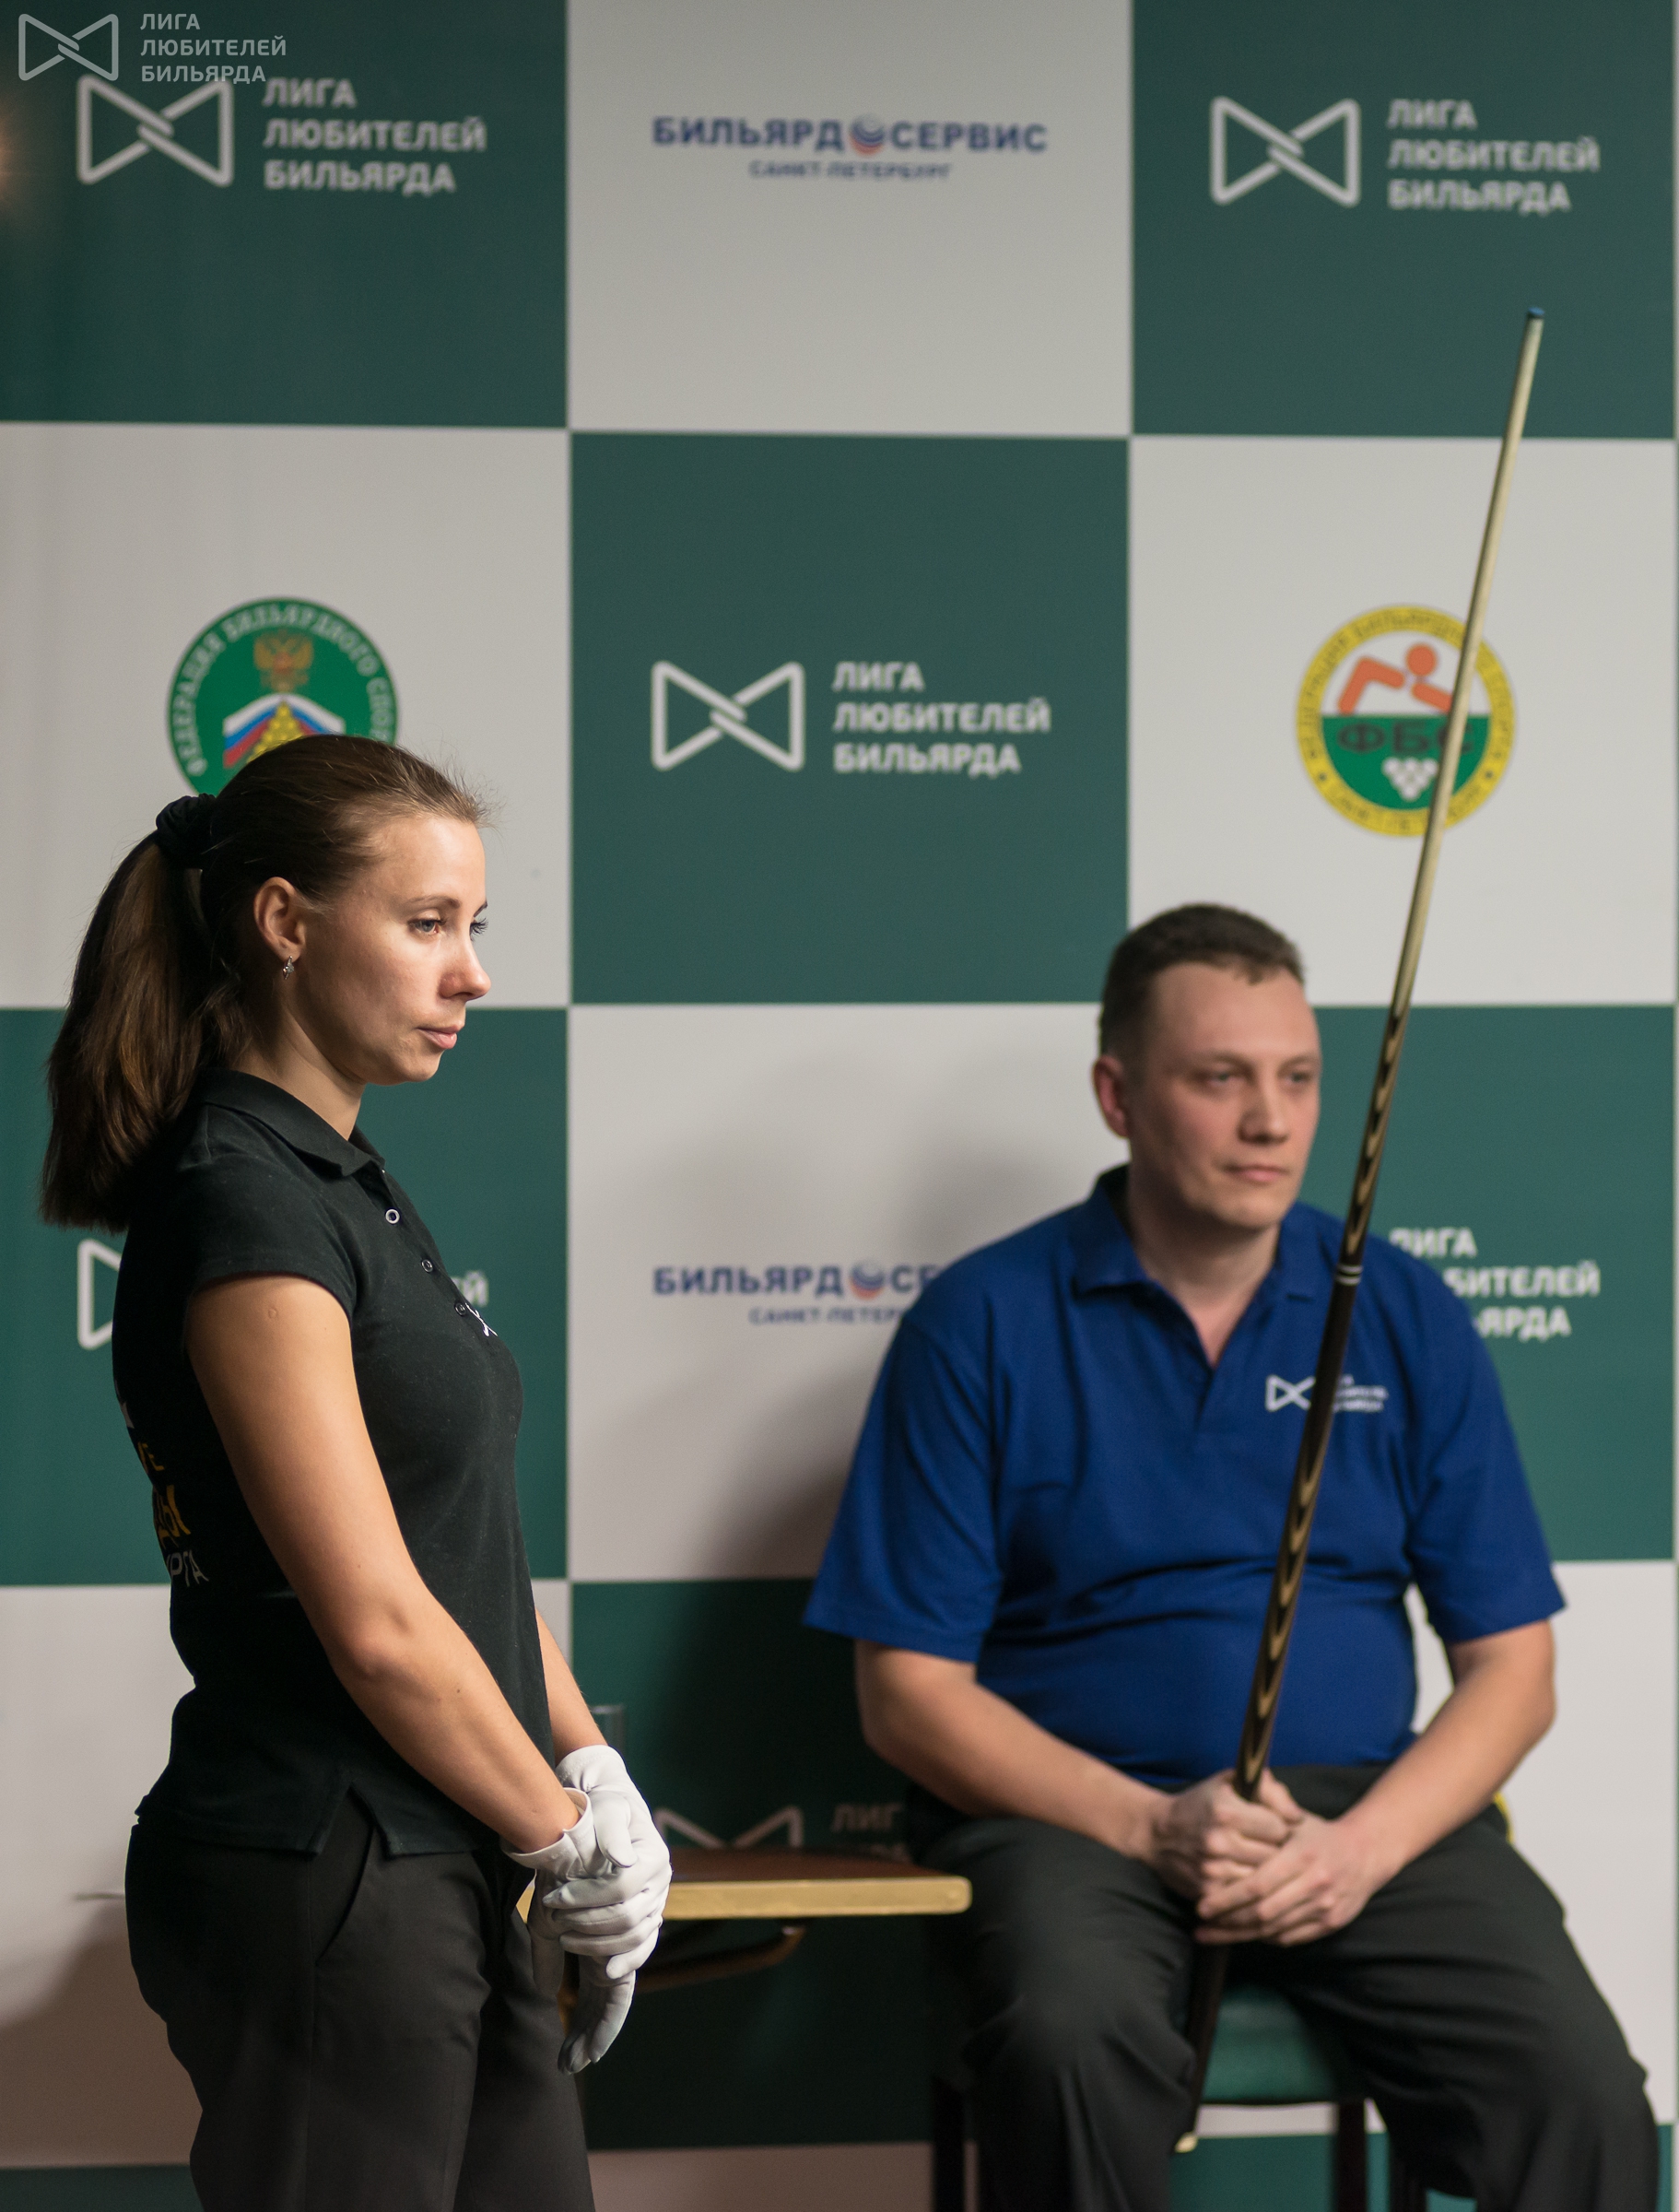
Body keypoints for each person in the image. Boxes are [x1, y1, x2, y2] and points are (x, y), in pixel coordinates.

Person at [805, 903, 1655, 2212]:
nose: (1270, 1121)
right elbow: (906, 1696)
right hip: (1076, 1821)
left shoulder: (1404, 1310)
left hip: (1359, 1818)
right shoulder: (979, 1321)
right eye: (1219, 1078)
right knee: (1065, 2041)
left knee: (1582, 2095)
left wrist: (1358, 1851)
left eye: (1297, 1079)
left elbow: (1513, 1673)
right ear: (1117, 1095)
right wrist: (1150, 1827)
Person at [41, 735, 670, 2212]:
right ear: (283, 922)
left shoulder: (342, 1179)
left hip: (443, 1851)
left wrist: (591, 1767)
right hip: (333, 1865)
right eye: (427, 922)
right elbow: (380, 1626)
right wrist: (563, 1835)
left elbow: (456, 1554)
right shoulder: (244, 1197)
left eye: (475, 925)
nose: (474, 974)